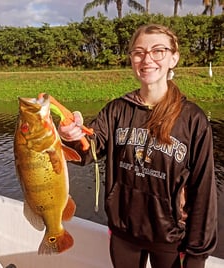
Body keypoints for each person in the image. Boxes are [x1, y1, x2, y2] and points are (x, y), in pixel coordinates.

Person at [58, 24, 218, 268]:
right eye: (139, 52)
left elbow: (203, 191)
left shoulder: (193, 120)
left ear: (174, 58)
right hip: (124, 232)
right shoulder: (117, 110)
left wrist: (197, 254)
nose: (147, 59)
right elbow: (87, 152)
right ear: (132, 59)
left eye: (158, 51)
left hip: (170, 238)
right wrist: (71, 135)